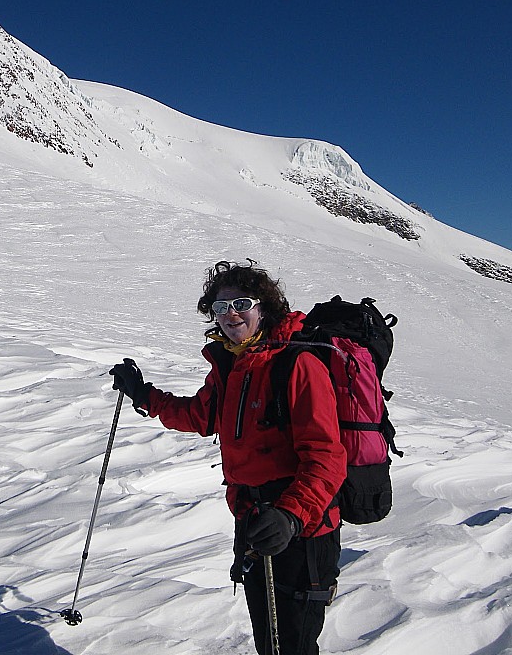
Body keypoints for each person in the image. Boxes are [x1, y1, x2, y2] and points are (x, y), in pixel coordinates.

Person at [110, 260, 346, 655]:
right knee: (267, 642)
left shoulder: (297, 363)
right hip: (253, 518)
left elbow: (327, 457)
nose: (231, 314)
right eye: (221, 308)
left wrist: (290, 515)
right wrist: (145, 396)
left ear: (264, 307)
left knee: (293, 645)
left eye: (241, 303)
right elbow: (201, 416)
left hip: (301, 530)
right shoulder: (233, 363)